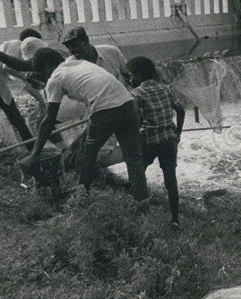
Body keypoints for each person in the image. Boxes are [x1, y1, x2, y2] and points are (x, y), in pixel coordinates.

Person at [19, 48, 149, 202]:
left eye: (41, 72)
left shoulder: (55, 78)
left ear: (47, 67)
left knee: (87, 153)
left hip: (106, 109)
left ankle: (82, 193)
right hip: (128, 104)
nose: (43, 77)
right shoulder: (78, 63)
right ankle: (142, 201)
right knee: (133, 157)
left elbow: (48, 120)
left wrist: (34, 155)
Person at [127, 56, 185, 228]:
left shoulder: (137, 93)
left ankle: (139, 212)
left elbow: (138, 121)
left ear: (139, 74)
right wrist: (178, 132)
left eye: (131, 75)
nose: (130, 79)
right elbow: (181, 110)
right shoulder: (165, 89)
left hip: (149, 141)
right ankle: (175, 220)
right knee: (170, 180)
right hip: (168, 140)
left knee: (138, 174)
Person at [60, 26, 129, 84]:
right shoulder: (70, 65)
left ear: (86, 40)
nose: (71, 50)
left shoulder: (111, 51)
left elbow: (128, 75)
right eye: (68, 47)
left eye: (74, 45)